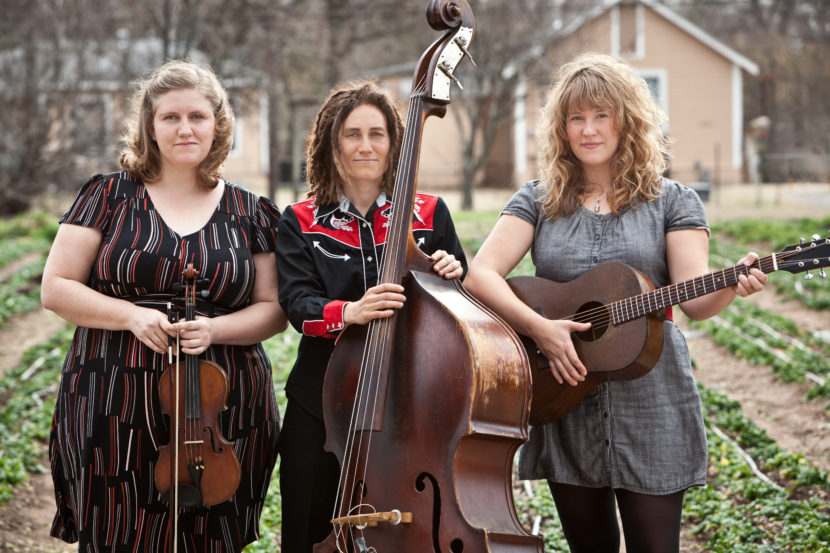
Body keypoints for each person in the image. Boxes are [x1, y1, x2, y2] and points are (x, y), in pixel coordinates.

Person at [463, 53, 767, 553]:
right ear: (561, 128)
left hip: (652, 396)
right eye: (576, 118)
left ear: (627, 120)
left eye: (601, 115)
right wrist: (540, 328)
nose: (588, 130)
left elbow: (696, 299)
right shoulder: (539, 200)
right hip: (562, 388)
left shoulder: (674, 201)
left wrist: (733, 283)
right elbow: (481, 274)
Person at [41, 59, 287, 553]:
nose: (184, 129)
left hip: (224, 403)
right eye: (170, 117)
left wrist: (217, 331)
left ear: (217, 125)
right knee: (116, 529)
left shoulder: (251, 211)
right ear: (149, 127)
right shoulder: (107, 195)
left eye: (197, 116)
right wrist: (130, 315)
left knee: (211, 534)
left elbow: (274, 309)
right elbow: (57, 286)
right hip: (112, 395)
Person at [275, 79, 466, 552]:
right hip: (320, 395)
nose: (365, 145)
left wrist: (451, 274)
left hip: (412, 401)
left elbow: (462, 309)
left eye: (376, 133)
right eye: (352, 134)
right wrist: (351, 312)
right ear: (331, 143)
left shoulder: (429, 213)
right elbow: (298, 304)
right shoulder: (300, 220)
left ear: (394, 142)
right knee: (308, 525)